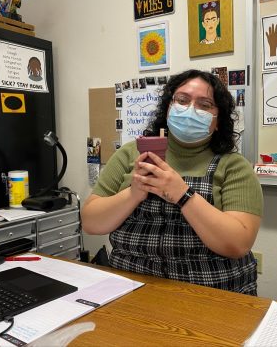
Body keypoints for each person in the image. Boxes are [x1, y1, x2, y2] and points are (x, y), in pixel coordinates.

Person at [81, 69, 263, 295]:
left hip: (212, 292)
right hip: (131, 287)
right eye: (182, 100)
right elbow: (90, 222)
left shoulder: (234, 167)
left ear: (218, 121)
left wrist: (182, 195)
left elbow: (238, 244)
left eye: (204, 105)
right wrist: (134, 193)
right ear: (168, 107)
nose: (190, 110)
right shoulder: (131, 154)